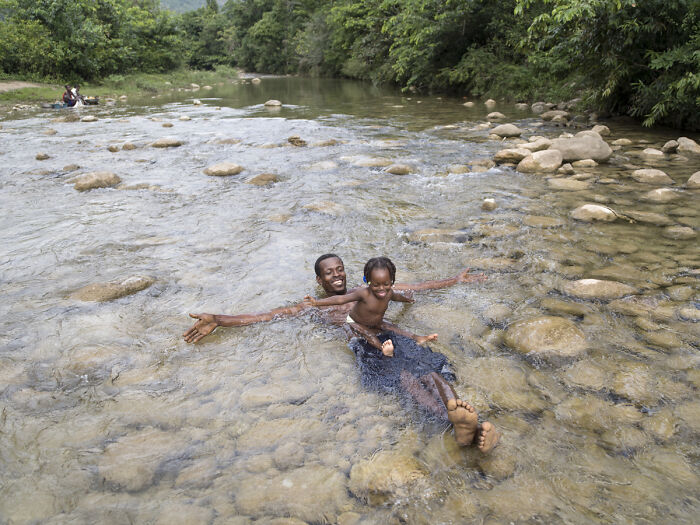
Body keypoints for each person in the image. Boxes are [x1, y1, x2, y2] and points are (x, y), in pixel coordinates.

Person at [183, 254, 499, 451]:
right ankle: (460, 427)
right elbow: (262, 317)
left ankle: (463, 421)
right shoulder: (317, 308)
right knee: (406, 379)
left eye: (341, 270)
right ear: (319, 280)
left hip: (391, 335)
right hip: (365, 346)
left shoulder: (366, 291)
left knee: (428, 368)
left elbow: (412, 288)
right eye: (330, 273)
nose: (337, 275)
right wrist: (220, 321)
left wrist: (454, 280)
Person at [304, 257, 438, 356]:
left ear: (391, 282)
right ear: (368, 282)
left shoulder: (388, 292)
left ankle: (418, 338)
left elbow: (398, 297)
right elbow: (340, 299)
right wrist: (316, 302)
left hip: (375, 321)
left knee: (389, 326)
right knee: (367, 334)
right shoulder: (362, 293)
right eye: (375, 285)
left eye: (386, 284)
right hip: (355, 322)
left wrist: (408, 300)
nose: (381, 289)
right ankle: (383, 349)